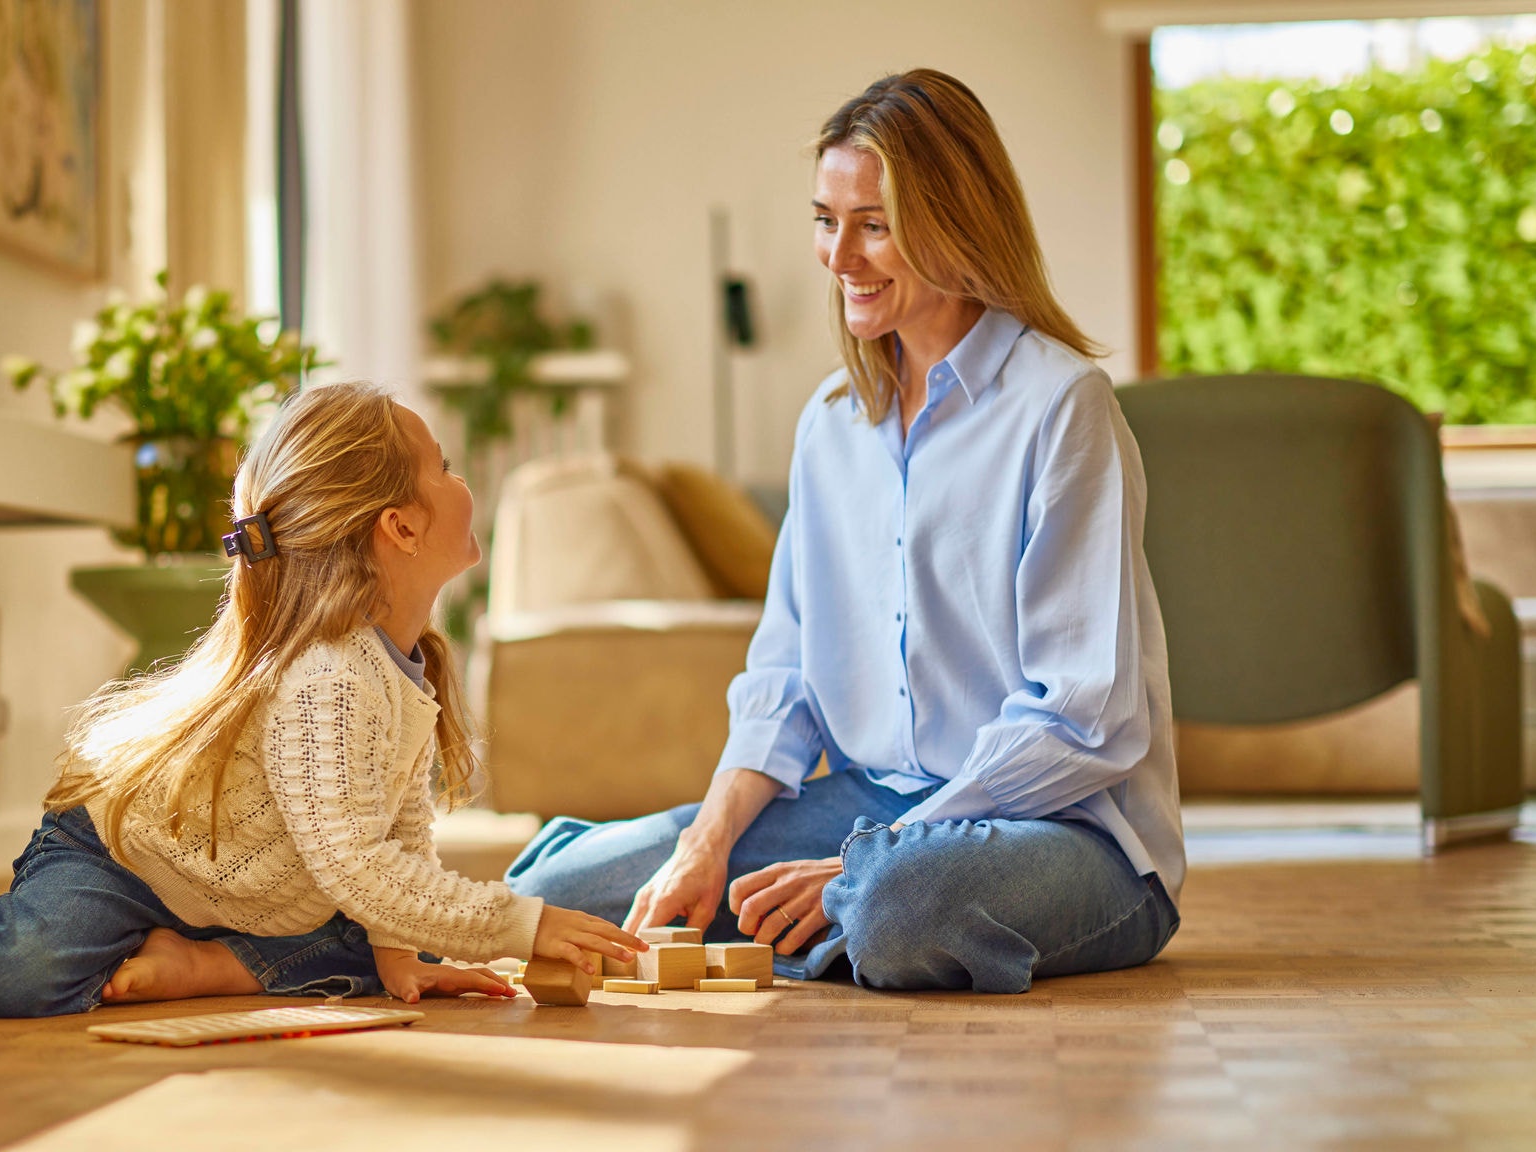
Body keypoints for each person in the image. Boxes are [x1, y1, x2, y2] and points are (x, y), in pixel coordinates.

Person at [505, 69, 1184, 994]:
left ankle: (838, 920)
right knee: (559, 894)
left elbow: (1083, 717)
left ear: (957, 222)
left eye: (873, 223)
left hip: (1061, 832)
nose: (839, 256)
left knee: (899, 908)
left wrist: (877, 860)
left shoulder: (1062, 407)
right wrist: (708, 843)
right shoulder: (832, 422)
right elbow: (785, 679)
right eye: (826, 219)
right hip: (867, 814)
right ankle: (819, 923)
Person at [0, 383, 644, 1016]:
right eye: (444, 467)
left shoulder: (403, 661)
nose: (466, 484)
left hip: (265, 894)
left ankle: (206, 964)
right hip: (128, 863)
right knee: (24, 972)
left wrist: (403, 960)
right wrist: (514, 926)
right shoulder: (330, 676)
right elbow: (360, 869)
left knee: (395, 926)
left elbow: (394, 831)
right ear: (399, 526)